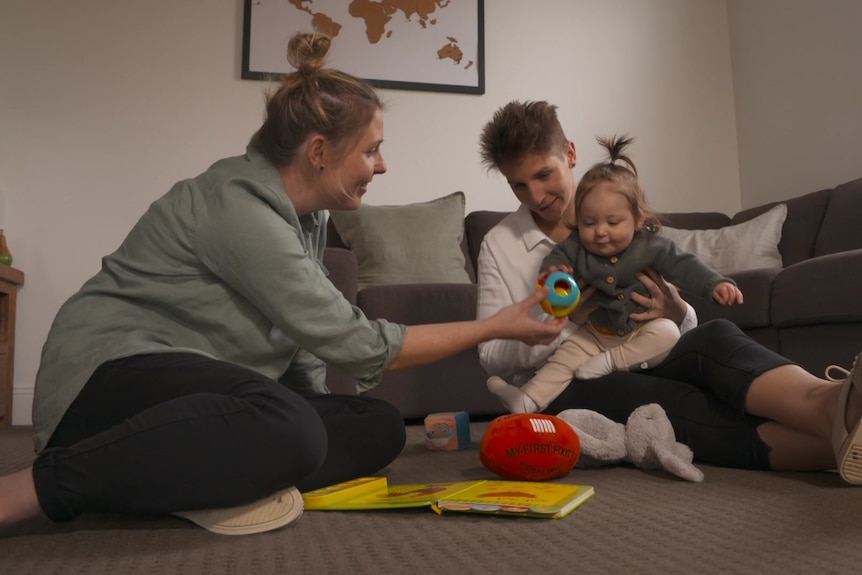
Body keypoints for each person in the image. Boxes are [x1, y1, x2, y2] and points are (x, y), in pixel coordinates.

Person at [0, 35, 567, 537]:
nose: (383, 165)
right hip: (105, 386)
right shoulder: (239, 206)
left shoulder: (307, 217)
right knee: (290, 429)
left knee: (375, 426)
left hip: (202, 395)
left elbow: (299, 338)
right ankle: (29, 492)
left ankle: (182, 484)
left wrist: (314, 404)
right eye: (371, 150)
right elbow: (360, 344)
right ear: (319, 153)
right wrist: (495, 324)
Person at [476, 99, 862, 482]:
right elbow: (491, 355)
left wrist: (675, 309)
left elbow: (680, 315)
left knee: (717, 335)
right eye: (518, 185)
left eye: (544, 175)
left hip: (639, 343)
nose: (536, 197)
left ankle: (834, 402)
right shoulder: (499, 244)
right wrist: (560, 324)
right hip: (567, 378)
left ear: (570, 154)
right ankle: (836, 436)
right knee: (668, 399)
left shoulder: (619, 214)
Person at [486, 134, 742, 414]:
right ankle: (525, 401)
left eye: (613, 222)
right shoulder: (573, 246)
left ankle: (610, 362)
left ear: (637, 219)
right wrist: (554, 273)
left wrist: (714, 284)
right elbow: (556, 259)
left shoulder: (651, 246)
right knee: (564, 358)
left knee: (668, 333)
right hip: (595, 333)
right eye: (589, 223)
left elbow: (685, 265)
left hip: (639, 332)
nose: (600, 231)